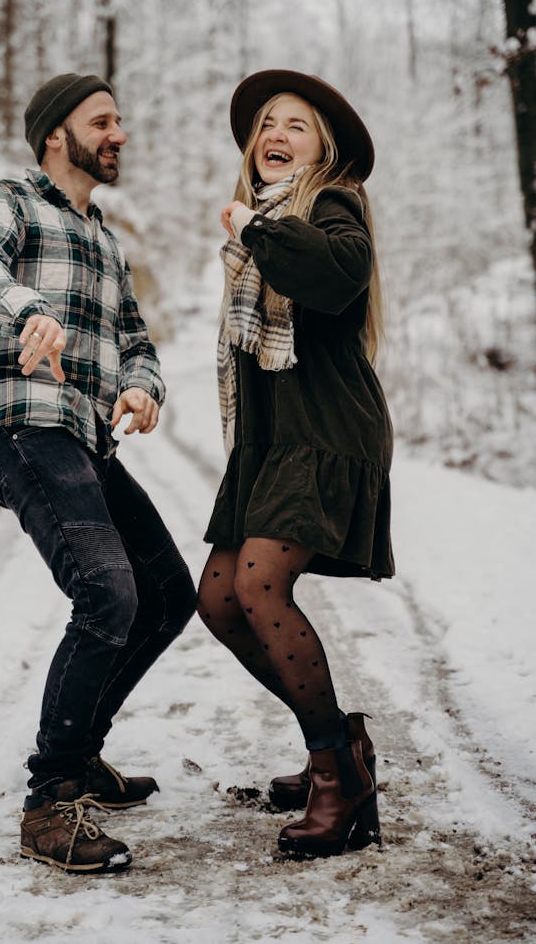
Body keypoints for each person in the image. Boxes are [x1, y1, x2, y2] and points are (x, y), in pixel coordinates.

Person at [0, 72, 196, 873]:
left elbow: (138, 338)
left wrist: (141, 384)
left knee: (166, 593)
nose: (120, 132)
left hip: (86, 438)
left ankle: (81, 752)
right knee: (108, 591)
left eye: (121, 119)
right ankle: (51, 800)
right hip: (25, 425)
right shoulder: (10, 197)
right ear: (58, 133)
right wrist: (30, 311)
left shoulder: (105, 238)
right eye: (104, 120)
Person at [198, 69, 395, 860]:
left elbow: (334, 275)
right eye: (268, 123)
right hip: (271, 440)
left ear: (325, 149)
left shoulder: (331, 204)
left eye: (298, 125)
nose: (276, 134)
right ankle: (340, 743)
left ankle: (334, 778)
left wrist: (256, 228)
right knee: (218, 599)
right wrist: (253, 230)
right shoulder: (262, 229)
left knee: (259, 584)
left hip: (326, 428)